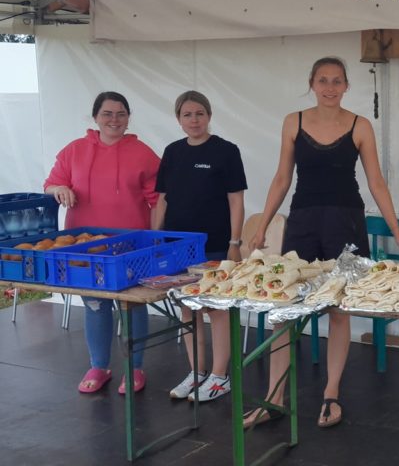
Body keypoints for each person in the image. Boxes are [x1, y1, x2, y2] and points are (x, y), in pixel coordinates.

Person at [245, 56, 399, 429]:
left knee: (339, 310)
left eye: (337, 81)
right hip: (303, 224)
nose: (330, 87)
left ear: (346, 86)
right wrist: (263, 225)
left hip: (347, 226)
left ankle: (331, 393)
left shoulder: (360, 125)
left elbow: (376, 182)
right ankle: (274, 397)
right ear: (312, 83)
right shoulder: (293, 121)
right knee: (284, 309)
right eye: (323, 80)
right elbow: (281, 178)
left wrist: (396, 231)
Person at [43, 91, 161, 394]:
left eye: (121, 114)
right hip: (85, 246)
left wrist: (155, 236)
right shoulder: (74, 150)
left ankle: (135, 368)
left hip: (131, 245)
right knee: (95, 304)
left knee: (132, 304)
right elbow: (51, 183)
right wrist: (59, 189)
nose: (114, 120)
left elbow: (159, 199)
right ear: (95, 117)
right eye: (107, 113)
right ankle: (99, 366)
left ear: (128, 118)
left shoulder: (144, 153)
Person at [152, 90, 247, 403]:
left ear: (209, 116)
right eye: (187, 115)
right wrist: (156, 239)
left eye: (199, 114)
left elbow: (236, 201)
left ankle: (219, 377)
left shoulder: (226, 151)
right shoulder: (172, 152)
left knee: (217, 309)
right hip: (177, 247)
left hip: (215, 245)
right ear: (178, 119)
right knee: (188, 308)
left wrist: (234, 242)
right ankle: (196, 373)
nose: (194, 120)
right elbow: (162, 199)